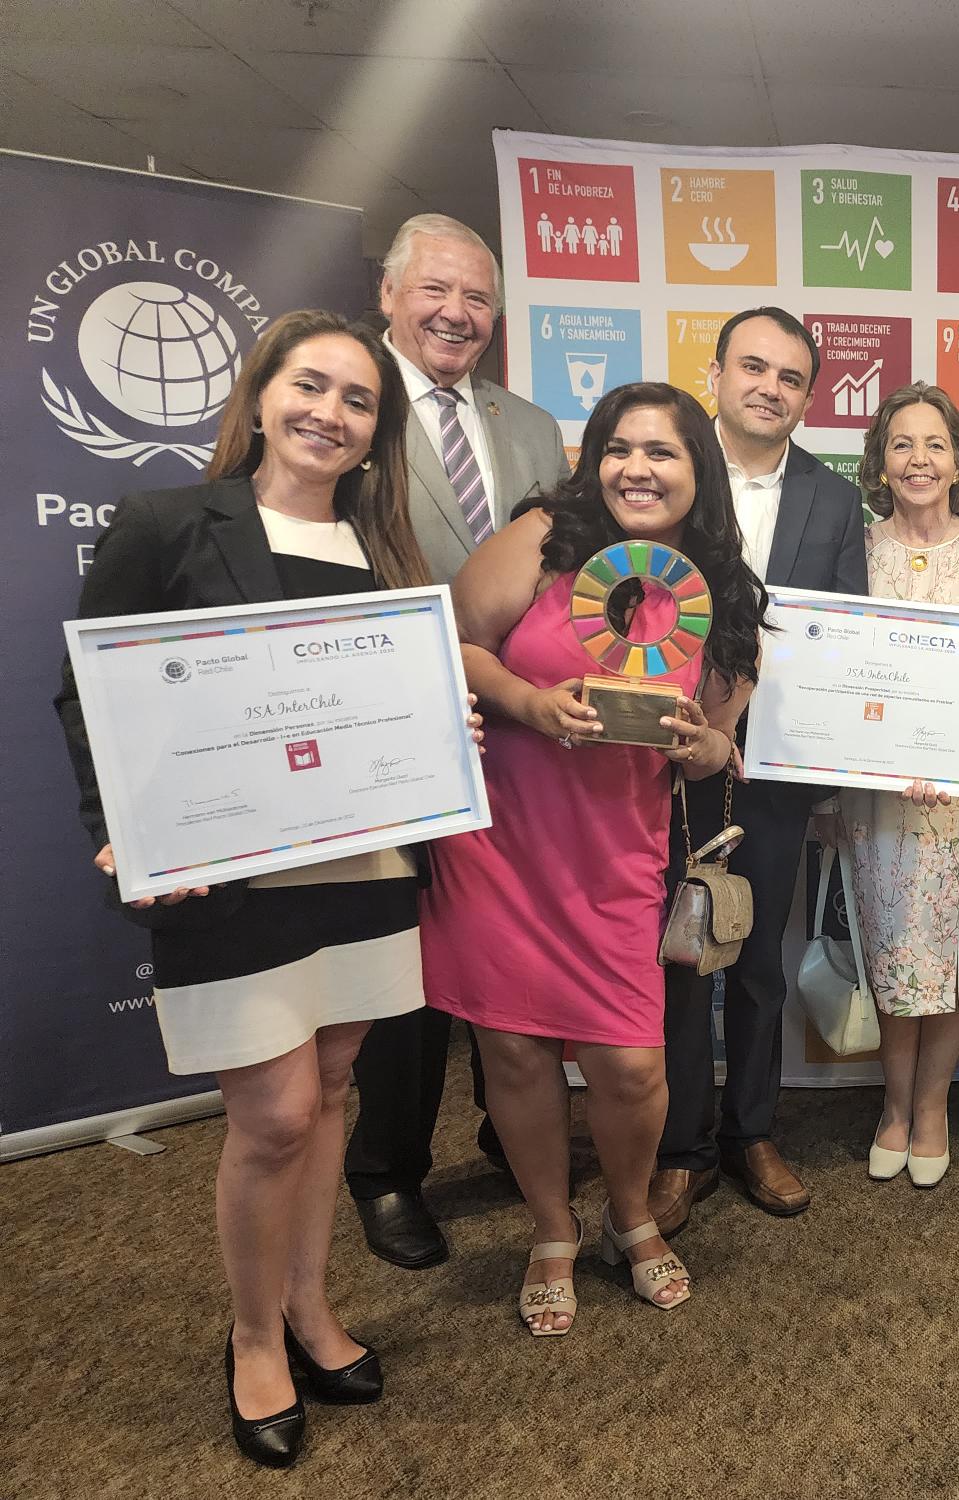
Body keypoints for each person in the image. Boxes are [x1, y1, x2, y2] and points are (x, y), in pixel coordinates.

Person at [55, 310, 442, 1467]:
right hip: (231, 870)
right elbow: (91, 692)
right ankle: (252, 1335)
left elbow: (395, 706)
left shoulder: (386, 552)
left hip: (363, 863)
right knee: (272, 1114)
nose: (330, 413)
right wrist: (128, 830)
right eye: (310, 385)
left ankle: (311, 1308)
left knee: (331, 1091)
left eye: (358, 400)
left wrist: (444, 734)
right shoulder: (168, 524)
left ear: (377, 433)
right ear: (261, 395)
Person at [422, 381, 766, 1335]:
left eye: (662, 452)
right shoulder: (544, 539)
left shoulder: (720, 592)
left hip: (618, 856)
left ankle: (628, 1215)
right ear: (594, 461)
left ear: (698, 470)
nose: (636, 469)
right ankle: (551, 1228)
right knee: (515, 1052)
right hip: (502, 843)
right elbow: (455, 644)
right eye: (619, 449)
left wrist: (698, 745)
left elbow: (718, 744)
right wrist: (531, 704)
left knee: (631, 1068)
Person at [346, 212, 569, 1271]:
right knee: (406, 951)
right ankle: (387, 1169)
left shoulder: (531, 427)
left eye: (478, 298)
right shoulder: (352, 408)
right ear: (389, 295)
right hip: (390, 721)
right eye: (435, 290)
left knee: (509, 936)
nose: (456, 313)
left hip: (516, 729)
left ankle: (503, 1128)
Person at [654, 308, 868, 1236]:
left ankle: (752, 1132)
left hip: (774, 766)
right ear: (715, 374)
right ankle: (679, 1147)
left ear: (809, 396)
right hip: (662, 761)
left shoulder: (834, 499)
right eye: (753, 367)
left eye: (789, 377)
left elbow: (843, 632)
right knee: (677, 958)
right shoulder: (668, 467)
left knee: (757, 963)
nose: (769, 388)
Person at [814, 384, 959, 1187]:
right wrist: (828, 791)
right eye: (902, 444)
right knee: (892, 948)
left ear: (958, 461)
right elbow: (831, 674)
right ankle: (894, 1106)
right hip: (875, 792)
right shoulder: (854, 552)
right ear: (880, 462)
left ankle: (934, 1106)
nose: (919, 460)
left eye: (935, 444)